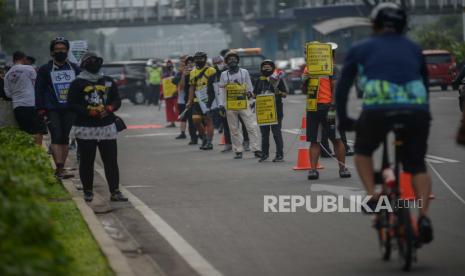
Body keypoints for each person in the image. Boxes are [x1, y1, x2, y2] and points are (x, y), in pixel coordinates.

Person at [336, 3, 433, 244]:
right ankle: (423, 217)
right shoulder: (414, 47)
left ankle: (372, 196)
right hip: (416, 111)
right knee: (417, 165)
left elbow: (343, 87)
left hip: (378, 110)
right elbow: (425, 83)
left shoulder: (360, 48)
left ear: (375, 24)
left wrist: (344, 118)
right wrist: (422, 113)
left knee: (363, 150)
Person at [68, 52, 128, 203]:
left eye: (96, 61)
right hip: (85, 128)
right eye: (90, 61)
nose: (94, 63)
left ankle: (115, 191)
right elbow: (72, 104)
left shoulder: (108, 81)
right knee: (87, 161)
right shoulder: (77, 83)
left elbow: (117, 100)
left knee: (111, 161)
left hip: (107, 127)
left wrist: (109, 108)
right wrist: (89, 111)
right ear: (84, 65)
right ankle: (88, 191)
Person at [302, 43, 351, 180]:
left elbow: (336, 88)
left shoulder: (332, 68)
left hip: (328, 107)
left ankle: (343, 168)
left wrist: (334, 106)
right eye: (308, 53)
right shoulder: (308, 69)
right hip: (313, 108)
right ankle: (313, 170)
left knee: (336, 139)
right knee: (314, 141)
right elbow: (305, 91)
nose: (309, 55)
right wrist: (305, 81)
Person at [36, 37, 80, 178]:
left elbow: (82, 87)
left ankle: (62, 167)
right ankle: (59, 168)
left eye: (63, 49)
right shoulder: (45, 69)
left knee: (65, 137)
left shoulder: (75, 68)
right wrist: (40, 108)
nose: (60, 51)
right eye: (57, 50)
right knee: (56, 136)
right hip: (52, 109)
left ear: (67, 51)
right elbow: (39, 90)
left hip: (70, 109)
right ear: (52, 52)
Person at [219, 51, 261, 159]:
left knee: (251, 126)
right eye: (229, 59)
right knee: (233, 129)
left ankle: (256, 149)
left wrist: (251, 100)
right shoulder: (224, 74)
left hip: (244, 103)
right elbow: (221, 91)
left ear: (237, 60)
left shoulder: (244, 72)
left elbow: (249, 87)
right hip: (230, 105)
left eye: (234, 58)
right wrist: (221, 105)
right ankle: (238, 150)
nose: (232, 61)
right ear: (226, 62)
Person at [4, 51, 47, 144]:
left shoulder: (7, 75)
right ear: (24, 58)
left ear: (13, 59)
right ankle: (38, 154)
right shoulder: (29, 69)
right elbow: (37, 85)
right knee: (39, 130)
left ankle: (29, 153)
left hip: (17, 107)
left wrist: (17, 95)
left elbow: (8, 94)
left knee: (25, 132)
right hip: (31, 104)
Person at [253, 60, 287, 162]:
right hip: (263, 111)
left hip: (276, 111)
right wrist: (251, 95)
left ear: (273, 68)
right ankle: (264, 154)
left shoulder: (277, 79)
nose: (266, 69)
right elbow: (255, 94)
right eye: (264, 67)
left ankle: (279, 154)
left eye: (268, 67)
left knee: (276, 133)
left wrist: (277, 89)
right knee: (264, 134)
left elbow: (285, 94)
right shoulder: (259, 80)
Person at [187, 51, 216, 150]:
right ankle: (204, 137)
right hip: (197, 100)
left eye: (201, 58)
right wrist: (189, 100)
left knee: (208, 120)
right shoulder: (192, 72)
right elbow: (191, 87)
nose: (199, 60)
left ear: (205, 59)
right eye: (197, 59)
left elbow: (215, 85)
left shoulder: (211, 70)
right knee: (196, 120)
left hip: (208, 99)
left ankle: (209, 142)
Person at [174, 55, 189, 139]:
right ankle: (182, 132)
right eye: (181, 61)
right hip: (181, 99)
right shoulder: (179, 73)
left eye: (184, 61)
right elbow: (177, 84)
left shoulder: (193, 70)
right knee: (183, 117)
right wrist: (182, 73)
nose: (182, 63)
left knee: (195, 118)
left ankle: (199, 134)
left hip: (191, 98)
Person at [161, 60, 178, 128]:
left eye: (170, 65)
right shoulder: (164, 74)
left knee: (177, 107)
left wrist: (177, 90)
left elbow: (178, 82)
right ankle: (172, 122)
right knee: (169, 108)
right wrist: (162, 92)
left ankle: (182, 120)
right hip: (167, 94)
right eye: (168, 65)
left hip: (175, 93)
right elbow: (162, 84)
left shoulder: (176, 73)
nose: (169, 66)